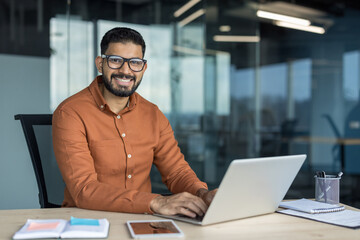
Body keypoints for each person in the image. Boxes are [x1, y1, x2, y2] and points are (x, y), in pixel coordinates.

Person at [52, 27, 217, 218]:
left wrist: (202, 195)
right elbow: (84, 189)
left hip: (142, 219)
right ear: (100, 63)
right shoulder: (71, 113)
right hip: (87, 221)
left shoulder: (153, 114)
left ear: (143, 68)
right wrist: (157, 202)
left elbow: (176, 171)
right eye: (115, 60)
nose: (125, 71)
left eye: (135, 63)